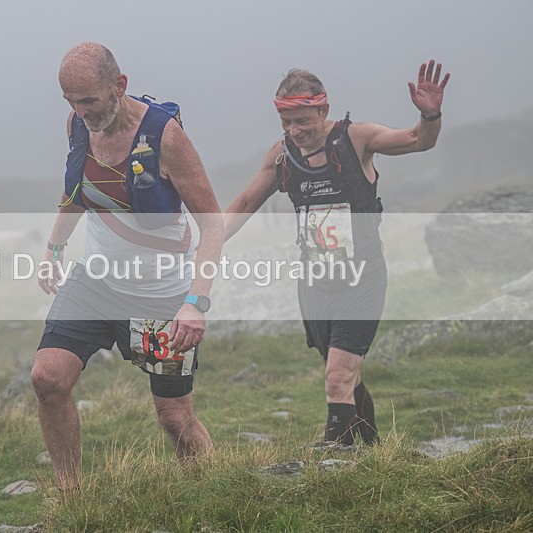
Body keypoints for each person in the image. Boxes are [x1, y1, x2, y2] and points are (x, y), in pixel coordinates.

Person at [224, 60, 450, 446]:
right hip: (315, 286)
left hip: (362, 282)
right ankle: (373, 449)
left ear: (323, 111)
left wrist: (429, 114)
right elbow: (244, 204)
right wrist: (203, 246)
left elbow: (418, 140)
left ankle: (335, 457)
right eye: (287, 123)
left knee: (337, 377)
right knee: (345, 374)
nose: (295, 131)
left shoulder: (356, 139)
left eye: (303, 121)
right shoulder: (281, 156)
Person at [30, 42, 224, 490]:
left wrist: (195, 303)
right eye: (71, 102)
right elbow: (77, 191)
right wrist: (54, 249)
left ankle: (213, 491)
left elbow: (212, 224)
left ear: (119, 85)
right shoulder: (78, 128)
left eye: (89, 101)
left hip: (160, 296)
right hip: (94, 285)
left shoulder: (165, 137)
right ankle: (71, 496)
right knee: (47, 379)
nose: (81, 113)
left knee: (175, 418)